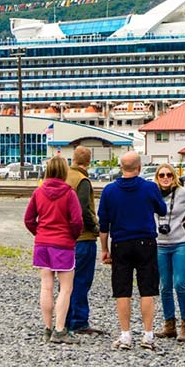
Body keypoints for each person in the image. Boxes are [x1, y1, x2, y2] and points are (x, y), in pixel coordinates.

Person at [98, 151, 167, 351]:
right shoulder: (149, 188)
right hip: (146, 242)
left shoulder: (109, 191)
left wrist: (104, 248)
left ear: (121, 167)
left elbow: (104, 224)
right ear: (139, 168)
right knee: (147, 290)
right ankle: (148, 335)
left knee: (122, 291)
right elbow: (162, 210)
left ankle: (126, 335)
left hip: (120, 243)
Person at [24, 156, 84, 345]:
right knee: (65, 288)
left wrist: (40, 233)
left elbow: (28, 219)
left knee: (46, 286)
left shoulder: (38, 192)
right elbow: (77, 221)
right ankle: (60, 329)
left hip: (42, 244)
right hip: (63, 244)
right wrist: (71, 237)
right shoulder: (69, 193)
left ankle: (47, 328)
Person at [152, 163, 185, 342]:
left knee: (180, 283)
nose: (165, 178)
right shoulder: (152, 193)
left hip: (180, 243)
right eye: (161, 175)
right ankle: (169, 324)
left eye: (169, 175)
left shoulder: (183, 193)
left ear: (174, 177)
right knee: (164, 286)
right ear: (157, 177)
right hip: (159, 244)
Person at [64, 146, 104, 335]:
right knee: (82, 280)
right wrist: (95, 227)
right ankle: (79, 320)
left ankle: (64, 317)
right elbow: (83, 209)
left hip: (64, 238)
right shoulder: (82, 180)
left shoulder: (63, 176)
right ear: (88, 162)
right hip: (83, 237)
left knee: (66, 281)